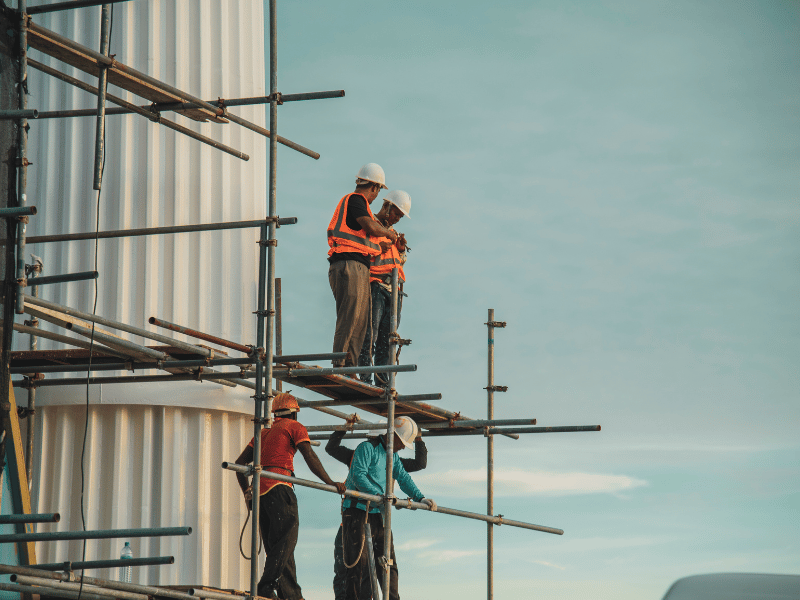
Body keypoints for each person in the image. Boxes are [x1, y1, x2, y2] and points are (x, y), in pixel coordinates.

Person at [234, 393, 346, 600]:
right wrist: (330, 482)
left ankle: (291, 595)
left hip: (260, 493)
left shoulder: (263, 434)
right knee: (287, 540)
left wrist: (247, 493)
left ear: (275, 413)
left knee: (278, 547)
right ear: (294, 413)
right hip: (279, 486)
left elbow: (239, 466)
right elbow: (309, 455)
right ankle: (266, 586)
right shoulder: (294, 427)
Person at [327, 416, 428, 600]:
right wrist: (379, 496)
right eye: (403, 442)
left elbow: (404, 478)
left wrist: (420, 497)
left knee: (388, 562)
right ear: (393, 436)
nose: (404, 446)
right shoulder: (366, 448)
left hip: (378, 513)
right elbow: (358, 475)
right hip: (358, 511)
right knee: (358, 565)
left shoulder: (393, 456)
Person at [328, 164, 399, 370]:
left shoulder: (360, 207)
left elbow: (363, 238)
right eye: (378, 191)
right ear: (375, 187)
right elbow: (369, 226)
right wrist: (387, 234)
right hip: (347, 264)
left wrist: (381, 244)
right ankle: (339, 364)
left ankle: (351, 365)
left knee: (360, 321)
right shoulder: (355, 200)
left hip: (357, 266)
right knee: (349, 316)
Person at [357, 190, 411, 387]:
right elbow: (362, 251)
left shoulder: (392, 234)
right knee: (370, 333)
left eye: (400, 216)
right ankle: (364, 377)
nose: (397, 219)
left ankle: (381, 382)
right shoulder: (371, 225)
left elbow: (397, 263)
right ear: (387, 206)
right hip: (376, 286)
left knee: (386, 341)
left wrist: (401, 249)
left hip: (393, 290)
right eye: (396, 213)